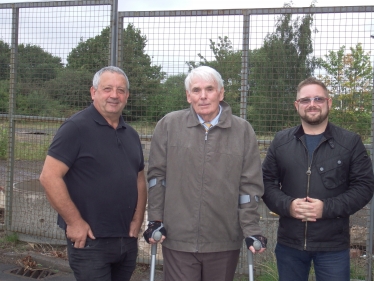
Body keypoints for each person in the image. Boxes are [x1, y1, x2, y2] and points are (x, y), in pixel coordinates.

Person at [143, 65, 267, 281]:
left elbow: (249, 187)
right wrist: (155, 219)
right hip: (178, 238)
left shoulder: (242, 131)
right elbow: (157, 178)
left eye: (209, 89)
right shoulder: (169, 125)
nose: (203, 96)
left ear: (221, 93)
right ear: (188, 96)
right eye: (196, 90)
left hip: (223, 239)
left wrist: (251, 228)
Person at [39, 66, 147, 281]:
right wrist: (74, 222)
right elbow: (49, 176)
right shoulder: (75, 128)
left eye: (120, 90)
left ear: (127, 96)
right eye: (107, 89)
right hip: (89, 240)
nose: (114, 95)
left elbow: (139, 179)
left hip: (126, 238)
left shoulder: (131, 134)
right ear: (93, 92)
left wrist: (138, 218)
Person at [262, 77, 374, 281]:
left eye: (318, 99)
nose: (312, 104)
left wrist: (326, 208)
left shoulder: (350, 142)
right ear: (297, 106)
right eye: (305, 100)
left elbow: (364, 187)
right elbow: (266, 183)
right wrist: (289, 206)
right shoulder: (281, 142)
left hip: (333, 245)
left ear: (329, 102)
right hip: (290, 244)